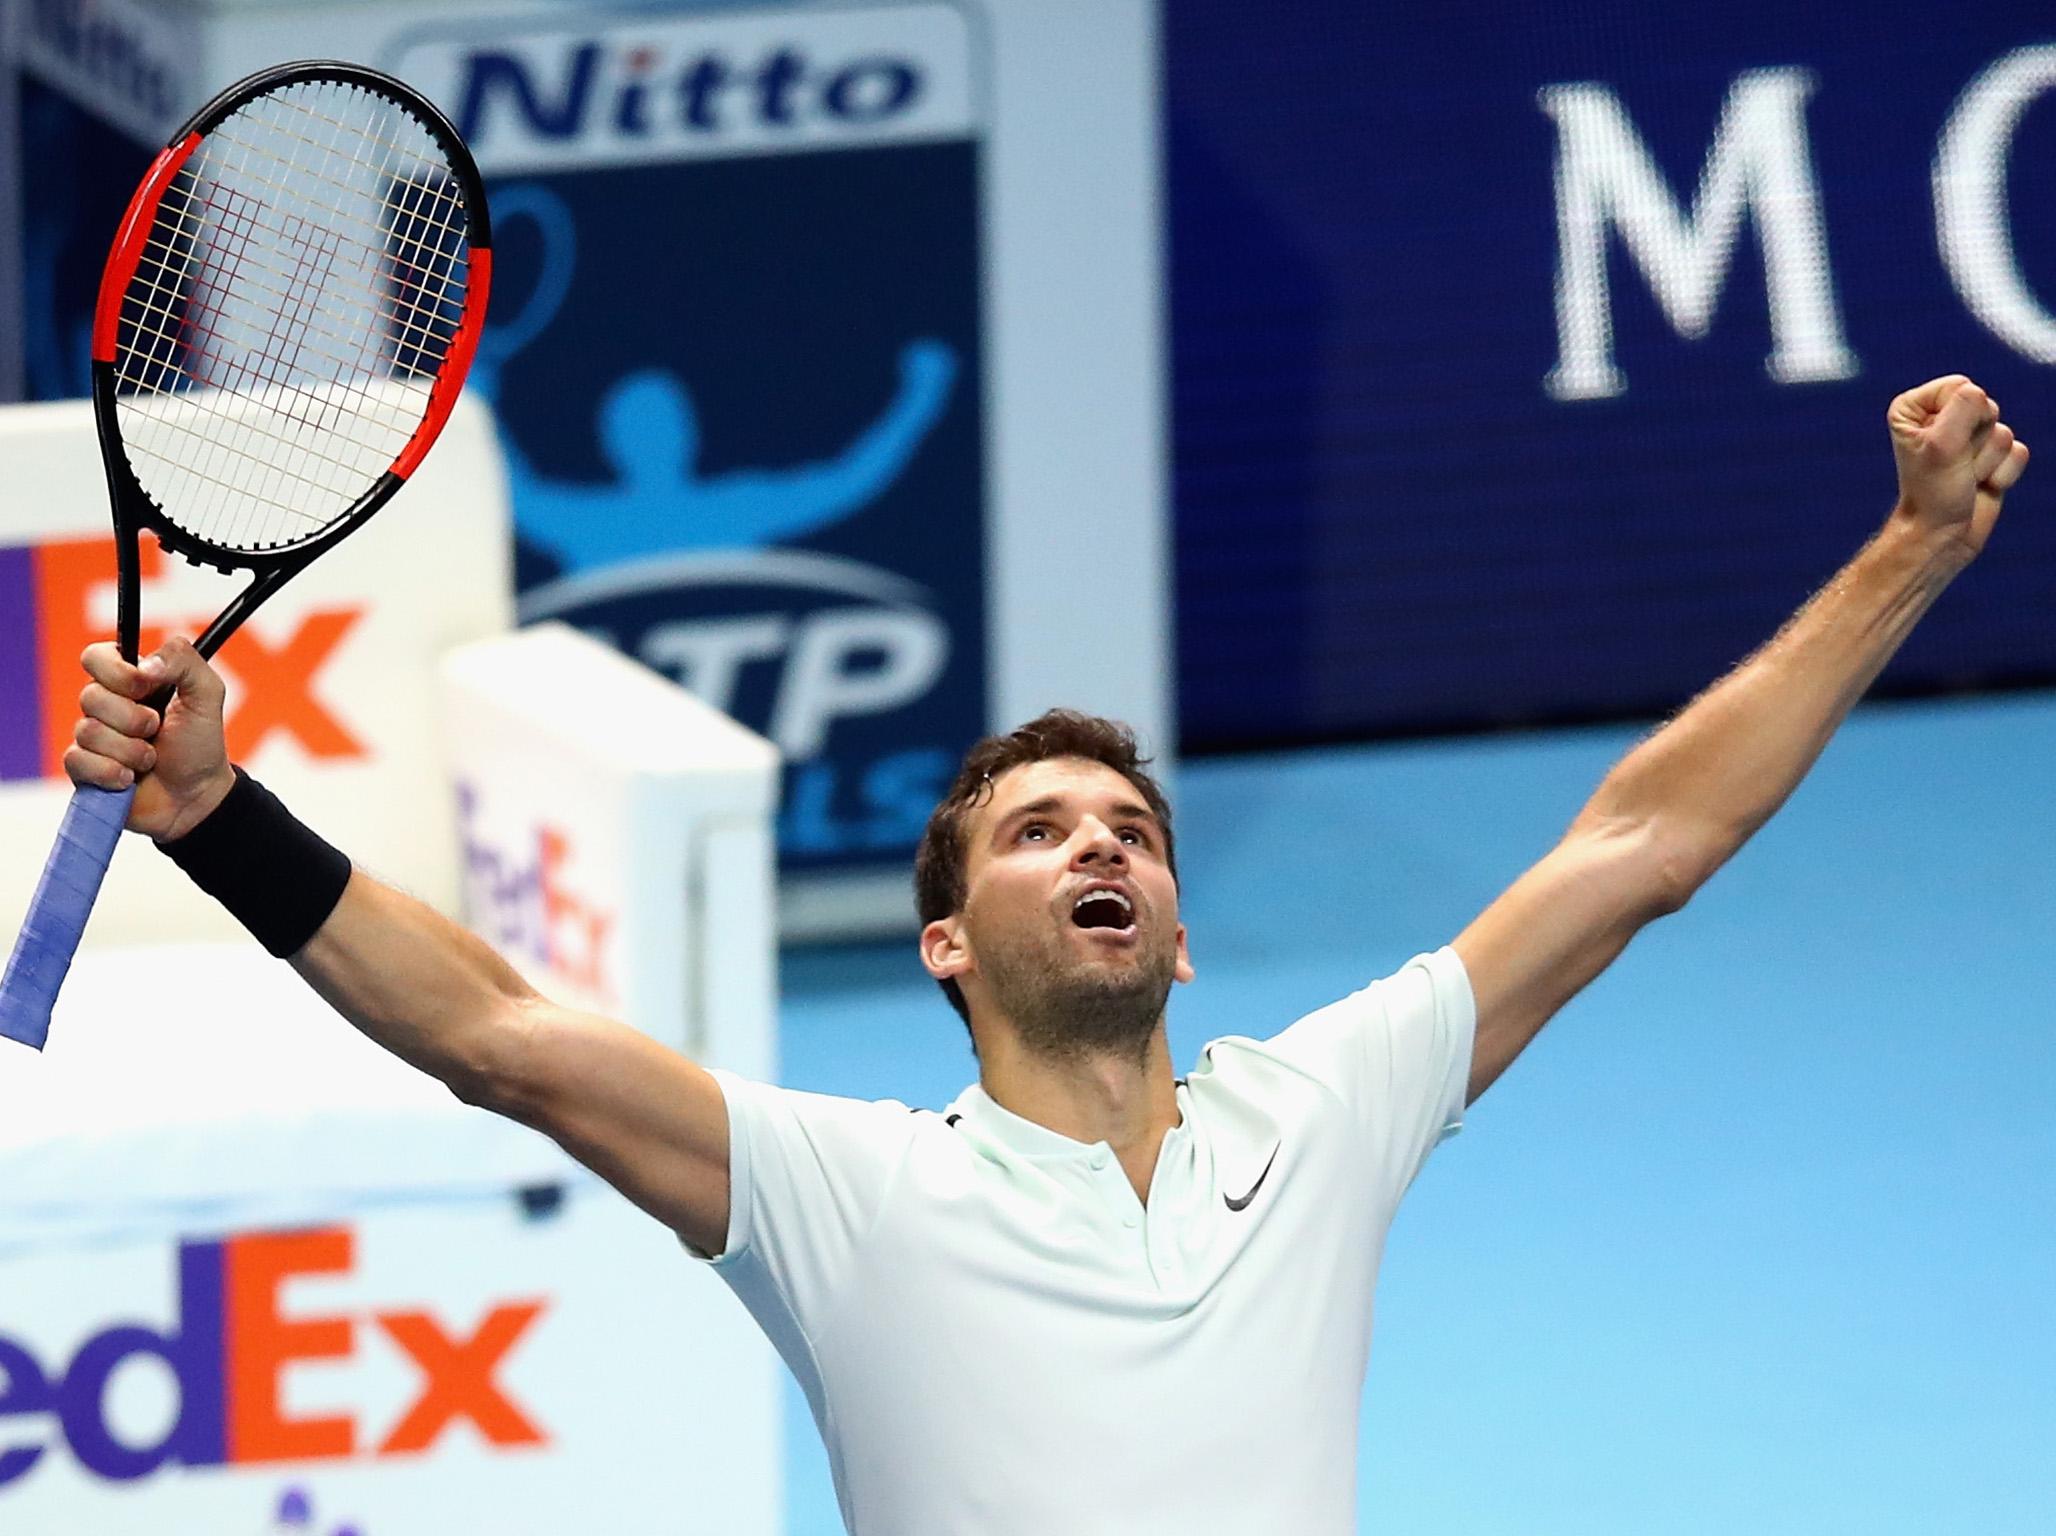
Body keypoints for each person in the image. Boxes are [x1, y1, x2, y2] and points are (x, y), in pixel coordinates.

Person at [64, 375, 2029, 1535]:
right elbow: (496, 1032)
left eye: (1132, 835)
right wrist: (226, 820)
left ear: (1177, 941)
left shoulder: (1324, 1105)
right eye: (1037, 831)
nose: (1100, 844)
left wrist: (1908, 556)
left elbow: (1642, 840)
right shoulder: (845, 1195)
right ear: (944, 941)